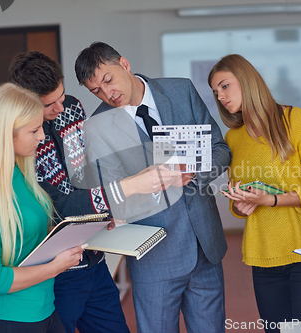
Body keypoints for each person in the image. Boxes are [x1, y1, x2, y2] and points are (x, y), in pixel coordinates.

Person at [74, 42, 231, 333]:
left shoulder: (181, 90)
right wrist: (147, 184)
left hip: (205, 246)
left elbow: (220, 149)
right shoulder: (96, 125)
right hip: (153, 257)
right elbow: (111, 198)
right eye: (96, 90)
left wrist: (193, 171)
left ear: (124, 63)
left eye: (108, 80)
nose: (107, 93)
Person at [208, 54, 301, 332]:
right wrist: (240, 205)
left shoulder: (299, 121)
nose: (220, 96)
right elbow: (241, 195)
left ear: (246, 80)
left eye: (224, 86)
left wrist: (272, 200)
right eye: (215, 91)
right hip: (264, 255)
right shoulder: (234, 137)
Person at [8, 51, 129, 333]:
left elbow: (89, 167)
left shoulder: (72, 108)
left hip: (94, 258)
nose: (60, 108)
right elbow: (56, 204)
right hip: (55, 272)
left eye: (62, 96)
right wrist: (106, 202)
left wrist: (103, 212)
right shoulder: (19, 143)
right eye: (49, 104)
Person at [0, 83, 85, 333]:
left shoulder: (19, 174)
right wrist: (56, 267)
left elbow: (28, 235)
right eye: (35, 130)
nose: (42, 136)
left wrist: (82, 229)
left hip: (44, 311)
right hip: (10, 320)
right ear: (8, 134)